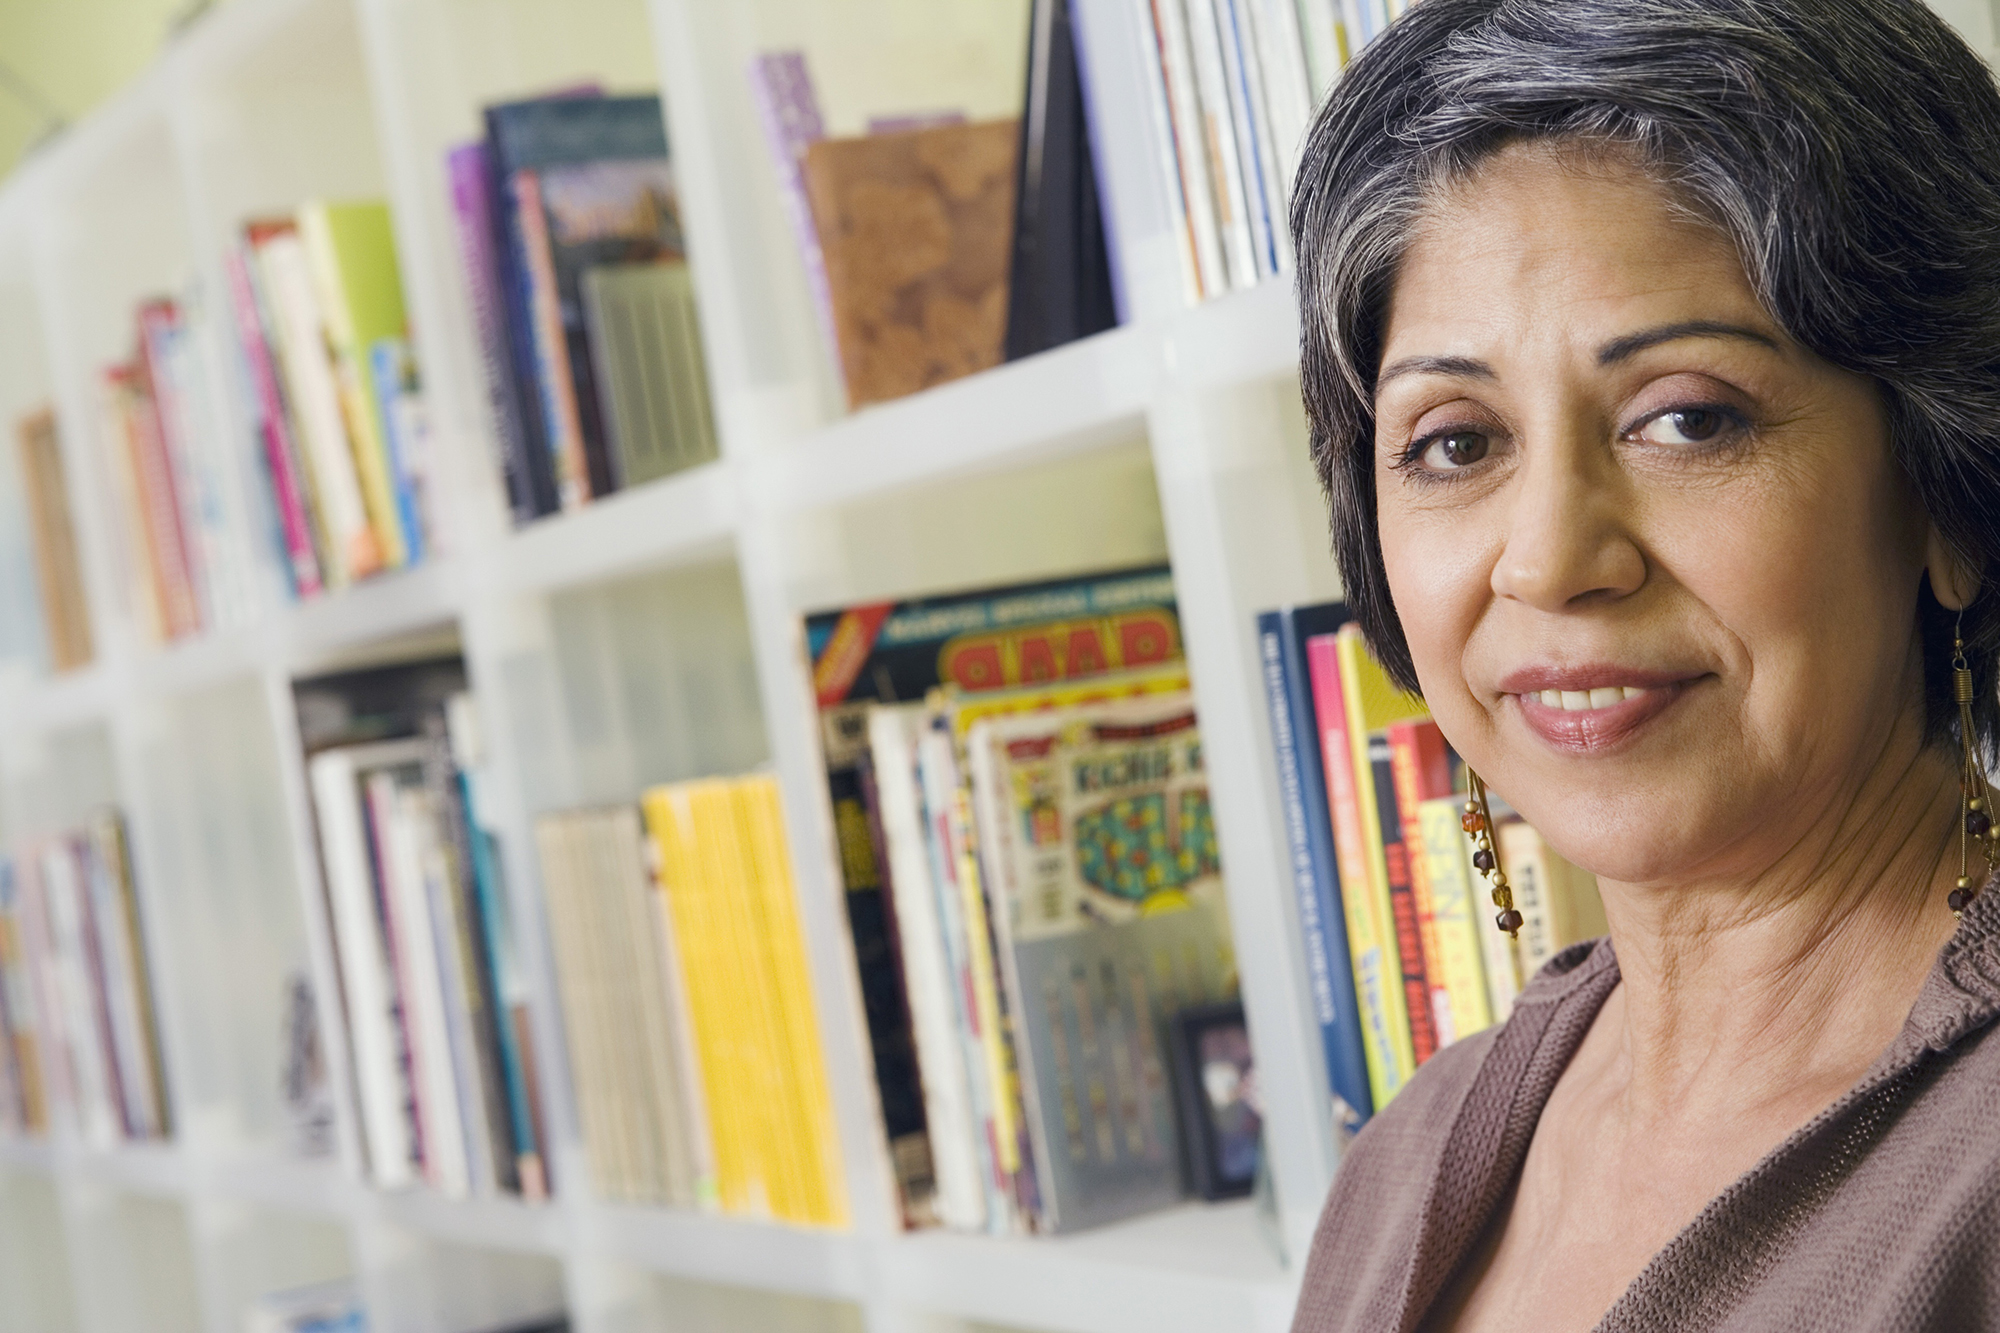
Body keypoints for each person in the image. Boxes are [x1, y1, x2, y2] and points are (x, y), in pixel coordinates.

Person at [1284, 1, 2000, 1329]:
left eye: (1686, 417)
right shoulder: (1400, 1169)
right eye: (1454, 441)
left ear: (1947, 494)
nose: (1553, 559)